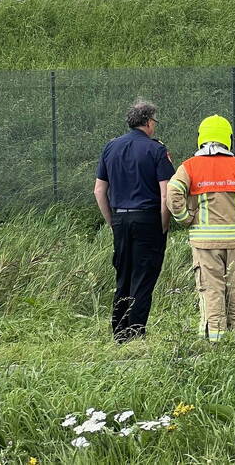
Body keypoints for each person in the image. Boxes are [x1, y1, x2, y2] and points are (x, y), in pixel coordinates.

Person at [166, 115, 235, 342]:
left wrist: (185, 218)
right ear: (227, 139)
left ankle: (214, 343)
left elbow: (172, 193)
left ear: (202, 138)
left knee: (211, 291)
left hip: (205, 243)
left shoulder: (189, 167)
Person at [94, 99, 175, 343]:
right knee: (144, 276)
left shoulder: (111, 147)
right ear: (149, 122)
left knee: (124, 275)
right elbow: (166, 193)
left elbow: (99, 190)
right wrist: (164, 223)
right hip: (148, 219)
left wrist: (112, 220)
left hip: (120, 219)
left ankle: (119, 332)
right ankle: (136, 331)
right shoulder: (157, 150)